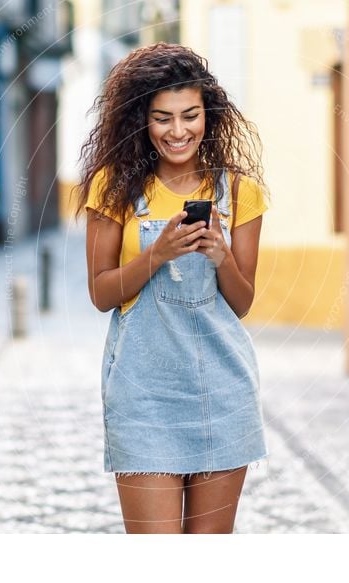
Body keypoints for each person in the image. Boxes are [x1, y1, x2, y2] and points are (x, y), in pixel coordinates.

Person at [77, 42, 271, 534]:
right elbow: (102, 295)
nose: (178, 131)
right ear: (142, 120)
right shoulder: (113, 188)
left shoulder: (239, 192)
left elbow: (242, 303)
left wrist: (221, 254)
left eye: (190, 115)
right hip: (143, 396)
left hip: (223, 393)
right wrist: (156, 253)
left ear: (210, 115)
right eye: (163, 118)